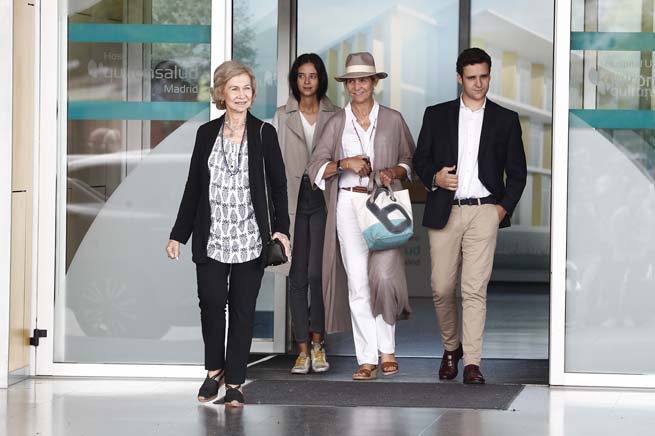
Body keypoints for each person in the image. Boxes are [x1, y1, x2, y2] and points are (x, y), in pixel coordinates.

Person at [165, 60, 290, 406]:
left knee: (242, 309)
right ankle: (212, 372)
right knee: (211, 305)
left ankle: (235, 379)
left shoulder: (265, 133)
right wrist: (178, 234)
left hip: (250, 237)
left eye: (247, 88)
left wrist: (281, 231)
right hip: (212, 236)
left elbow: (279, 187)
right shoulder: (206, 134)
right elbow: (193, 188)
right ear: (221, 93)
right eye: (234, 89)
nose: (241, 95)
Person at [413, 48, 527, 384]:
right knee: (441, 287)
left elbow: (517, 173)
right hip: (445, 211)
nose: (479, 84)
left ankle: (473, 362)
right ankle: (452, 347)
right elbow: (421, 160)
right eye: (472, 77)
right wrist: (435, 177)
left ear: (489, 76)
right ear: (459, 78)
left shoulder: (506, 120)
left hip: (484, 212)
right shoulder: (436, 115)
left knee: (474, 289)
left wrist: (501, 209)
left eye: (484, 76)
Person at [307, 52, 415, 380]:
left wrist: (393, 171)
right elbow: (315, 166)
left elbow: (411, 160)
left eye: (363, 80)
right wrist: (345, 164)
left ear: (374, 83)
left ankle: (388, 350)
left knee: (382, 278)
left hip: (382, 204)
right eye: (352, 81)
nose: (357, 86)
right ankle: (366, 357)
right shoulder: (336, 121)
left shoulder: (393, 119)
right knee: (357, 283)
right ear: (346, 85)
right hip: (347, 206)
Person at [272, 54, 339, 374]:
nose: (307, 81)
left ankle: (318, 343)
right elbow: (273, 164)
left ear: (321, 78)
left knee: (318, 274)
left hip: (324, 199)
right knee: (296, 276)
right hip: (292, 200)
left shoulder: (336, 114)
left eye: (313, 75)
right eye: (302, 75)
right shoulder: (282, 115)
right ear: (295, 79)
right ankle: (301, 349)